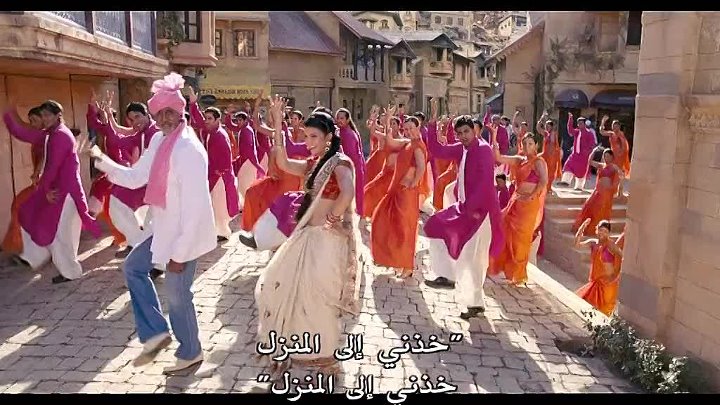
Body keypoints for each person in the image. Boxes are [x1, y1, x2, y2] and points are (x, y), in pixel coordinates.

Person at [90, 72, 216, 374]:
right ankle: (157, 333)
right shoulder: (160, 139)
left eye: (169, 112)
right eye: (159, 113)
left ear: (180, 111)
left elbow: (196, 207)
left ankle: (191, 351)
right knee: (133, 268)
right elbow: (136, 177)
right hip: (163, 227)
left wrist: (180, 254)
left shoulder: (189, 149)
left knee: (177, 294)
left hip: (185, 234)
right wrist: (99, 158)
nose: (163, 119)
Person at [255, 95, 361, 377]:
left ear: (328, 138)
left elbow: (348, 192)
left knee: (319, 297)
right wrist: (278, 124)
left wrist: (333, 219)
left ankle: (326, 355)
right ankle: (305, 349)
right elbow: (283, 163)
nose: (308, 141)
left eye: (314, 136)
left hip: (327, 240)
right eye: (306, 136)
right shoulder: (315, 163)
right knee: (293, 290)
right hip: (308, 234)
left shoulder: (339, 163)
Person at [3, 100, 101, 283]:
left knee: (59, 233)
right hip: (60, 191)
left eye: (48, 115)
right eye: (43, 115)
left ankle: (68, 271)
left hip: (65, 192)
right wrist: (7, 115)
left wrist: (46, 189)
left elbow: (52, 167)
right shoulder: (51, 133)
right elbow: (24, 134)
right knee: (54, 228)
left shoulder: (60, 136)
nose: (45, 119)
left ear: (58, 115)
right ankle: (53, 263)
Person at [423, 113, 504, 319]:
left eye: (466, 131)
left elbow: (485, 184)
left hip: (480, 213)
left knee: (473, 259)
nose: (463, 136)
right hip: (465, 209)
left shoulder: (483, 150)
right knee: (435, 225)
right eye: (459, 133)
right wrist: (432, 125)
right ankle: (447, 276)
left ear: (474, 131)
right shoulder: (461, 148)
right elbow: (438, 150)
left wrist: (470, 211)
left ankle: (475, 304)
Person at [96, 96, 160, 259]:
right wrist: (108, 119)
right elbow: (118, 140)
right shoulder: (141, 133)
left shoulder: (156, 132)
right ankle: (137, 244)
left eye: (137, 117)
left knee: (153, 222)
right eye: (131, 119)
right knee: (117, 202)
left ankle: (144, 250)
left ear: (147, 115)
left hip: (156, 184)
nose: (135, 122)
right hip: (141, 181)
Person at [369, 108, 427, 279]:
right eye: (406, 128)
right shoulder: (407, 143)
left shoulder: (418, 145)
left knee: (404, 229)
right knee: (384, 220)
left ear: (418, 128)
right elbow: (390, 142)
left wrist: (412, 184)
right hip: (397, 190)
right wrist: (387, 121)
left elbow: (421, 167)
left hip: (406, 193)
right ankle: (397, 261)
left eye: (411, 128)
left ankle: (407, 266)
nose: (408, 131)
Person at [488, 131, 548, 286]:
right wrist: (494, 136)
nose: (527, 147)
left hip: (529, 205)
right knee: (504, 230)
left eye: (530, 144)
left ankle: (518, 274)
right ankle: (506, 268)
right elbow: (498, 157)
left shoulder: (538, 162)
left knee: (521, 239)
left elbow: (543, 181)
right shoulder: (519, 160)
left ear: (536, 146)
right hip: (515, 202)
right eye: (524, 144)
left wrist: (532, 195)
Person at [187, 87, 240, 241]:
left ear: (217, 120)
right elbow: (199, 122)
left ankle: (222, 232)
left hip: (220, 176)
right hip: (213, 174)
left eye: (210, 118)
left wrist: (219, 173)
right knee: (214, 204)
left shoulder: (219, 135)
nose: (206, 121)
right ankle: (216, 231)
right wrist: (194, 104)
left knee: (219, 205)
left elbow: (226, 158)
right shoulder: (212, 132)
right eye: (206, 118)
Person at [1, 107, 45, 255]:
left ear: (44, 119)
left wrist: (6, 113)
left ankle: (18, 246)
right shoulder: (43, 132)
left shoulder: (42, 135)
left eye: (34, 120)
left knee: (18, 206)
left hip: (44, 183)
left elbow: (18, 131)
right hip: (41, 182)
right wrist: (13, 111)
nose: (31, 124)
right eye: (30, 120)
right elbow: (24, 125)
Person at [575, 219, 624, 316]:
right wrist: (581, 228)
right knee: (589, 309)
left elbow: (622, 257)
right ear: (597, 229)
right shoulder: (593, 243)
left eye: (605, 231)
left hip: (608, 285)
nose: (602, 233)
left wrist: (617, 276)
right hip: (596, 282)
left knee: (604, 313)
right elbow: (577, 245)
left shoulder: (611, 245)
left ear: (608, 233)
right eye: (601, 230)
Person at [572, 149, 623, 236]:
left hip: (607, 192)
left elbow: (621, 175)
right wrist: (593, 151)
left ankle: (598, 230)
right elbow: (590, 162)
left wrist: (619, 189)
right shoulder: (601, 165)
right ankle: (587, 228)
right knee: (590, 206)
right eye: (605, 156)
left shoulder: (614, 167)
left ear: (612, 157)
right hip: (598, 191)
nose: (606, 158)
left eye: (608, 156)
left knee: (601, 209)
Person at [363, 110, 402, 219]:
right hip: (380, 164)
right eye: (391, 123)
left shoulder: (402, 140)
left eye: (394, 124)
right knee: (370, 190)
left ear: (399, 126)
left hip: (394, 171)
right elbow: (373, 131)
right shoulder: (384, 136)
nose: (392, 126)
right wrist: (374, 118)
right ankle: (365, 214)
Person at [224, 109, 266, 207]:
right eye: (237, 120)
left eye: (240, 120)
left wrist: (255, 164)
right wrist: (228, 115)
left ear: (245, 120)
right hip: (245, 162)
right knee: (243, 184)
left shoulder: (246, 130)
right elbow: (231, 126)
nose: (238, 122)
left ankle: (250, 206)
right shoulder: (243, 129)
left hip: (248, 162)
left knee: (246, 185)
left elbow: (249, 150)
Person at [335, 108, 366, 216]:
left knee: (354, 193)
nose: (339, 120)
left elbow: (350, 155)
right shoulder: (344, 131)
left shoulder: (347, 134)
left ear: (347, 120)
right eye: (338, 118)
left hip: (353, 167)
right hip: (355, 167)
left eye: (342, 118)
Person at [560, 113, 597, 191]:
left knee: (581, 172)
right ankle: (566, 181)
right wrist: (570, 119)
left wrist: (588, 152)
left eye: (581, 123)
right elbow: (570, 130)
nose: (580, 125)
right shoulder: (577, 132)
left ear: (584, 124)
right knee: (568, 166)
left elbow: (592, 144)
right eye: (579, 123)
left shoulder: (589, 133)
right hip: (575, 155)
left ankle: (579, 187)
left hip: (584, 157)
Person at [599, 115, 631, 192]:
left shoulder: (621, 134)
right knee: (611, 172)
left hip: (620, 157)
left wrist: (621, 154)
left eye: (616, 126)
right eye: (613, 126)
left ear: (619, 127)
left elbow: (624, 146)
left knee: (619, 173)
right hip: (612, 156)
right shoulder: (611, 134)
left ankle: (619, 191)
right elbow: (602, 132)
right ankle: (611, 189)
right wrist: (603, 122)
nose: (614, 127)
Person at [535, 111, 562, 193]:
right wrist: (541, 119)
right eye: (546, 125)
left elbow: (552, 145)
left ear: (551, 127)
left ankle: (548, 187)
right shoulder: (546, 133)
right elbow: (538, 128)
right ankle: (543, 186)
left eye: (548, 125)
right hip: (545, 154)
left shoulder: (552, 134)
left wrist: (550, 157)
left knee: (550, 172)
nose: (546, 127)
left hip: (551, 157)